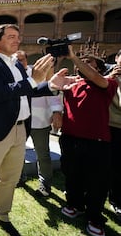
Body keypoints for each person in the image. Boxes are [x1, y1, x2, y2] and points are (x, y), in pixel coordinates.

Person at [0, 24, 71, 236]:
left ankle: (1, 213)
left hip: (21, 128)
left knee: (10, 177)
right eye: (11, 36)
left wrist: (51, 85)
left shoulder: (17, 65)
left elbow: (26, 91)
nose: (17, 40)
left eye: (18, 36)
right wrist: (34, 79)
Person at [59, 46, 118, 236]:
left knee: (97, 182)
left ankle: (95, 218)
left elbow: (94, 77)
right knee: (72, 174)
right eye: (80, 63)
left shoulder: (107, 83)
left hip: (97, 142)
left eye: (88, 63)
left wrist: (74, 58)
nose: (81, 66)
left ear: (99, 68)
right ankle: (75, 205)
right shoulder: (72, 84)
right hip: (69, 138)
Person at [15, 50, 63, 197]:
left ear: (26, 60)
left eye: (22, 60)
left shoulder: (39, 73)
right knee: (17, 153)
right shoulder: (12, 75)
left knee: (42, 154)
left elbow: (52, 92)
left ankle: (45, 184)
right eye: (16, 60)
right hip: (20, 121)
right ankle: (18, 178)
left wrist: (56, 112)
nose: (19, 63)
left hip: (39, 120)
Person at [106, 50, 121, 223]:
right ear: (116, 58)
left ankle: (116, 199)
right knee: (107, 164)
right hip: (110, 126)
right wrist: (111, 76)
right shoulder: (107, 74)